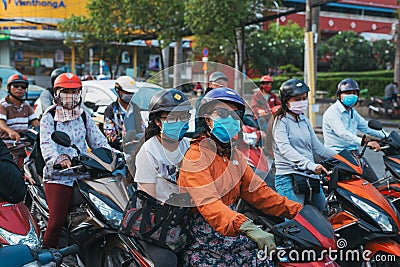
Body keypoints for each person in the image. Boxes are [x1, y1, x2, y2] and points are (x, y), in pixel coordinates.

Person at [178, 87, 302, 266]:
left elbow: (259, 191)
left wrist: (299, 212)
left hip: (232, 229)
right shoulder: (196, 157)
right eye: (222, 112)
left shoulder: (233, 155)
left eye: (235, 114)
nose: (230, 118)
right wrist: (246, 226)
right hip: (205, 238)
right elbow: (209, 204)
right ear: (207, 119)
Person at [40, 73, 113, 249]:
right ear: (57, 94)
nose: (70, 96)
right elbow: (46, 144)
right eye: (66, 91)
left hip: (84, 173)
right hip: (59, 176)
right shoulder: (49, 117)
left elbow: (99, 141)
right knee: (56, 222)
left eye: (74, 92)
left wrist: (114, 155)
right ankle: (46, 254)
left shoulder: (83, 116)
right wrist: (59, 159)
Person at [133, 89, 192, 267]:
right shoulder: (149, 151)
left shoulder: (189, 146)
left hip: (187, 217)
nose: (179, 122)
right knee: (167, 262)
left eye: (183, 117)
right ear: (158, 121)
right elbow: (147, 199)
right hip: (157, 223)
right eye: (172, 118)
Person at [271, 79, 336, 212]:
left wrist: (343, 157)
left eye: (304, 98)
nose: (302, 102)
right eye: (297, 99)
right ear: (286, 100)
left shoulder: (304, 120)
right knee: (297, 221)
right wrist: (311, 165)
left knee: (324, 214)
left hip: (309, 177)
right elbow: (285, 149)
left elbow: (318, 148)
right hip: (289, 178)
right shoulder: (280, 122)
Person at [323, 78, 386, 182]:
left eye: (354, 93)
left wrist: (387, 136)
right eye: (347, 92)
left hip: (353, 154)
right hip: (337, 155)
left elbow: (366, 127)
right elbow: (343, 133)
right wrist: (365, 142)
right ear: (339, 95)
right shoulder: (332, 112)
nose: (351, 95)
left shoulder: (352, 112)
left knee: (373, 183)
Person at [0, 74, 40, 164]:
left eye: (23, 86)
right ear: (9, 87)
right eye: (16, 86)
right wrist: (10, 132)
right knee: (12, 170)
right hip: (9, 145)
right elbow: (1, 123)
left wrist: (45, 131)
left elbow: (36, 123)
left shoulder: (26, 105)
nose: (20, 88)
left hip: (25, 144)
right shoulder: (3, 104)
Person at [103, 76, 144, 150]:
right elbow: (110, 136)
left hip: (137, 150)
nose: (130, 95)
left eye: (132, 93)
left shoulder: (135, 108)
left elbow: (142, 129)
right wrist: (124, 140)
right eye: (127, 92)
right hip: (119, 152)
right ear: (118, 91)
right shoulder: (111, 110)